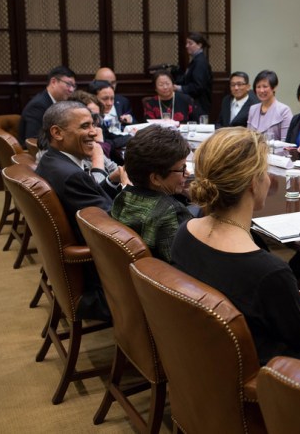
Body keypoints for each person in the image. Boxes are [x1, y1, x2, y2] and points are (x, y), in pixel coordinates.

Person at [171, 128, 300, 364]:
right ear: (252, 184)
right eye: (265, 172)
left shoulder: (185, 233)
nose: (269, 179)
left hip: (214, 356)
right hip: (278, 369)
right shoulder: (268, 272)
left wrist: (293, 301)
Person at [35, 100, 121, 321]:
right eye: (85, 126)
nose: (94, 133)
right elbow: (111, 225)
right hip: (99, 279)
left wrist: (110, 181)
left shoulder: (51, 161)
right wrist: (131, 188)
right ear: (57, 132)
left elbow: (90, 202)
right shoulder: (71, 175)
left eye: (93, 125)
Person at [112, 125, 192, 263]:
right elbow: (187, 265)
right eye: (181, 168)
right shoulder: (173, 212)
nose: (187, 173)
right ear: (155, 179)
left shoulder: (122, 197)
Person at [19, 66, 77, 143]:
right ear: (53, 82)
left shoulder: (61, 103)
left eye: (73, 86)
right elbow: (32, 140)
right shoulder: (37, 106)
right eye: (68, 84)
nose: (71, 90)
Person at [87, 80, 131, 161]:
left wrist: (132, 135)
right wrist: (129, 138)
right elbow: (105, 143)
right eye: (105, 99)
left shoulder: (100, 115)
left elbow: (109, 135)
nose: (110, 103)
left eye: (112, 98)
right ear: (93, 98)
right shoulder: (90, 117)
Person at [246, 70, 293, 141]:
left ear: (274, 87)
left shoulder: (284, 110)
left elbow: (286, 143)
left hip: (275, 152)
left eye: (265, 86)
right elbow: (248, 138)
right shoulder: (253, 109)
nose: (261, 90)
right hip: (254, 151)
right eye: (258, 87)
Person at [173, 32, 213, 115]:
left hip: (199, 104)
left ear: (199, 45)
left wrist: (179, 88)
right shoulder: (196, 60)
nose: (186, 46)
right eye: (186, 43)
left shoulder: (200, 62)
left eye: (190, 43)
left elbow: (198, 86)